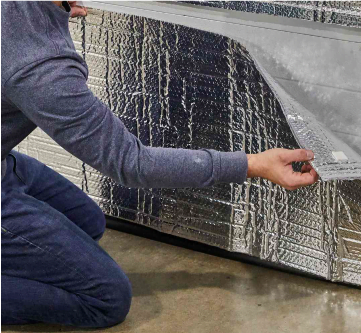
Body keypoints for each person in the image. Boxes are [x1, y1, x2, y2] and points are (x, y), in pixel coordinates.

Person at [0, 0, 319, 328]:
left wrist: (52, 12)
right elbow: (131, 162)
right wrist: (252, 164)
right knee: (106, 298)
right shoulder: (41, 67)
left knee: (88, 223)